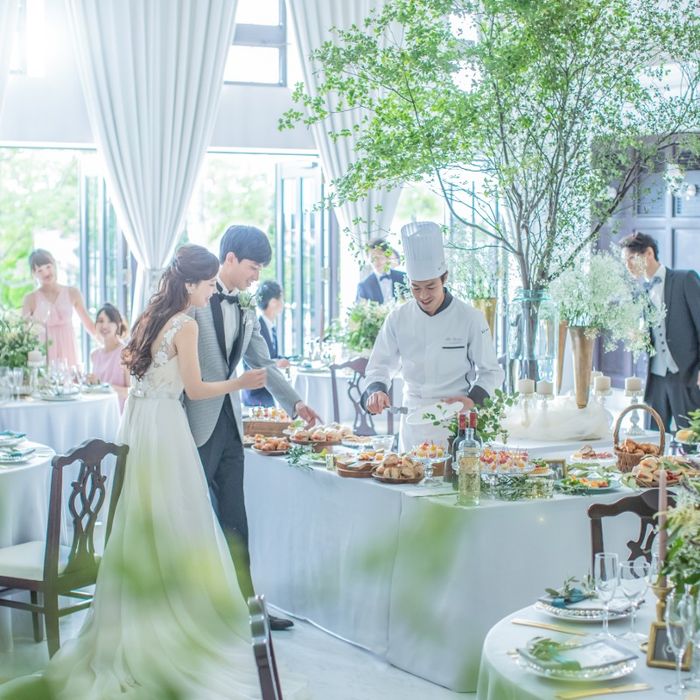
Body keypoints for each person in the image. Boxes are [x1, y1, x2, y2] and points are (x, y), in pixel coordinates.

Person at [0, 245, 307, 698]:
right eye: (207, 285)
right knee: (178, 520)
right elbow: (196, 390)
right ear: (191, 283)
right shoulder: (185, 324)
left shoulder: (149, 317)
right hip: (165, 428)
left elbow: (138, 376)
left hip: (138, 425)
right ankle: (173, 619)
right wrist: (240, 383)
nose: (210, 292)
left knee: (141, 519)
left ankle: (142, 608)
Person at [184, 225, 320, 630]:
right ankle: (192, 612)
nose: (256, 276)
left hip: (231, 424)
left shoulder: (246, 305)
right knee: (190, 519)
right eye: (253, 267)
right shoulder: (192, 297)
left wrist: (295, 402)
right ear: (229, 259)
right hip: (192, 423)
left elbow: (262, 362)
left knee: (236, 521)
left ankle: (249, 610)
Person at [361, 221, 504, 451]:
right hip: (412, 422)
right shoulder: (397, 318)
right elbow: (379, 366)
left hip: (456, 422)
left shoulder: (470, 318)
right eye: (416, 288)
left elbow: (491, 372)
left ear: (444, 278)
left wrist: (472, 400)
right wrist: (376, 390)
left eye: (430, 287)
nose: (423, 296)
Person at [620, 231, 700, 431]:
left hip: (686, 374)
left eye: (632, 258)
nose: (628, 265)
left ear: (649, 253)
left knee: (690, 439)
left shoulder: (685, 279)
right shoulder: (641, 292)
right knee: (653, 440)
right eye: (625, 261)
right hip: (655, 377)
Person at [21, 249, 95, 365]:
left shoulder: (72, 292)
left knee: (70, 374)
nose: (46, 273)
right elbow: (24, 333)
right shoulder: (30, 298)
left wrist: (111, 346)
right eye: (40, 270)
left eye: (48, 267)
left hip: (68, 348)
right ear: (34, 274)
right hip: (43, 349)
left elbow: (89, 325)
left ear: (54, 265)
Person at [242, 280, 290, 407]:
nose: (283, 303)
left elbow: (272, 356)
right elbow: (251, 364)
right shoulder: (256, 328)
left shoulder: (270, 327)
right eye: (281, 299)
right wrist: (276, 363)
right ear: (273, 302)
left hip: (268, 389)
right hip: (257, 394)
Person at [87, 303, 130, 410]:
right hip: (98, 410)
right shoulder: (94, 355)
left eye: (110, 321)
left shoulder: (126, 353)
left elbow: (130, 392)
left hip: (118, 413)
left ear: (118, 325)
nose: (104, 326)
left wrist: (102, 385)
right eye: (100, 321)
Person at [355, 237, 408, 304]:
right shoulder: (364, 286)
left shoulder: (404, 277)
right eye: (372, 258)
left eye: (380, 256)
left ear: (387, 256)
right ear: (368, 259)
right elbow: (359, 309)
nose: (376, 261)